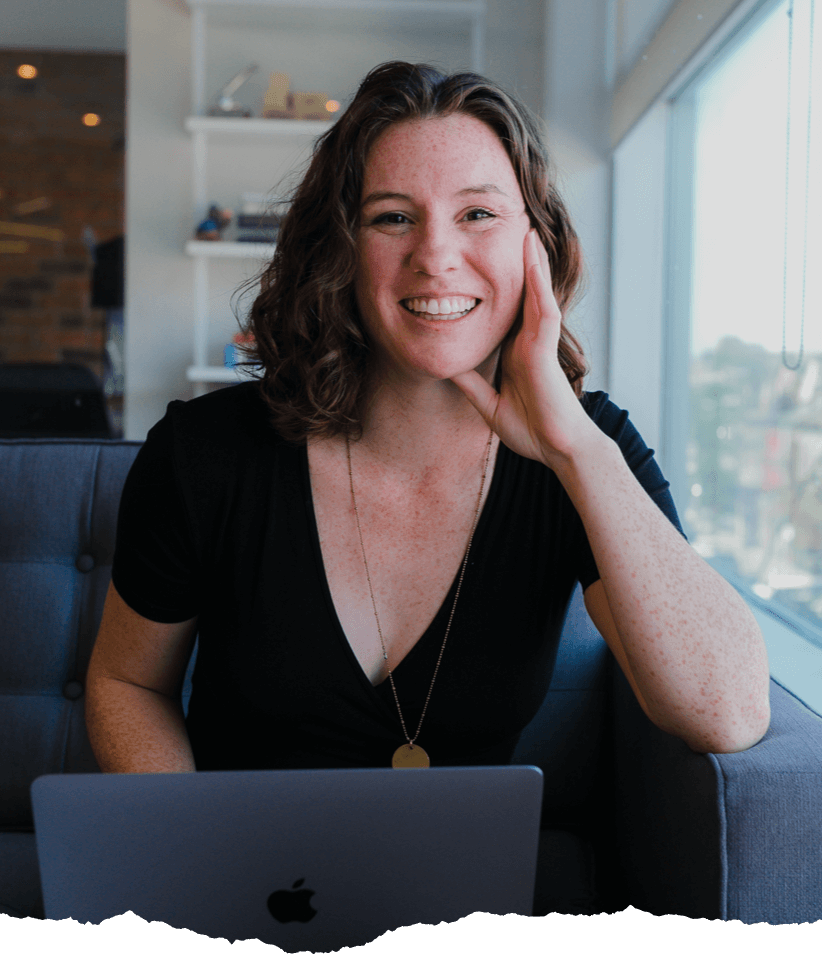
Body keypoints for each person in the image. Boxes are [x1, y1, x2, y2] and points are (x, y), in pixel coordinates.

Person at [86, 61, 770, 780]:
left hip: (464, 891)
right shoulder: (206, 453)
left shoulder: (589, 451)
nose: (436, 257)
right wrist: (190, 854)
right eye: (392, 218)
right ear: (342, 252)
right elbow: (128, 684)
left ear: (536, 244)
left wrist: (574, 448)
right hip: (238, 881)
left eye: (478, 214)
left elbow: (725, 713)